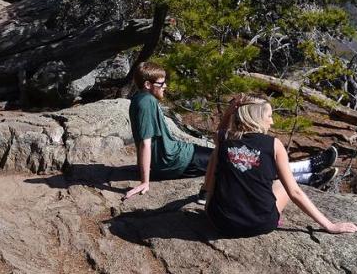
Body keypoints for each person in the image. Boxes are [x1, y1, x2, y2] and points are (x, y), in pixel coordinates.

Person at [123, 63, 338, 203]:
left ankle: (307, 176)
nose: (166, 86)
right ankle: (307, 170)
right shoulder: (146, 103)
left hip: (179, 154)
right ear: (148, 84)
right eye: (161, 83)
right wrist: (145, 180)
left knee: (233, 159)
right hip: (175, 160)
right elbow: (145, 143)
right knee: (239, 163)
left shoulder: (144, 99)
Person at [205, 94, 357, 238]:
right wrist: (330, 225)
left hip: (220, 222)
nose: (272, 121)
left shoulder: (223, 139)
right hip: (261, 224)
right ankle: (307, 174)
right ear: (257, 117)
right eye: (269, 116)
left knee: (217, 156)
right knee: (282, 184)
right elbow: (294, 192)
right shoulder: (273, 144)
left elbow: (220, 131)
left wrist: (228, 113)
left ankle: (307, 172)